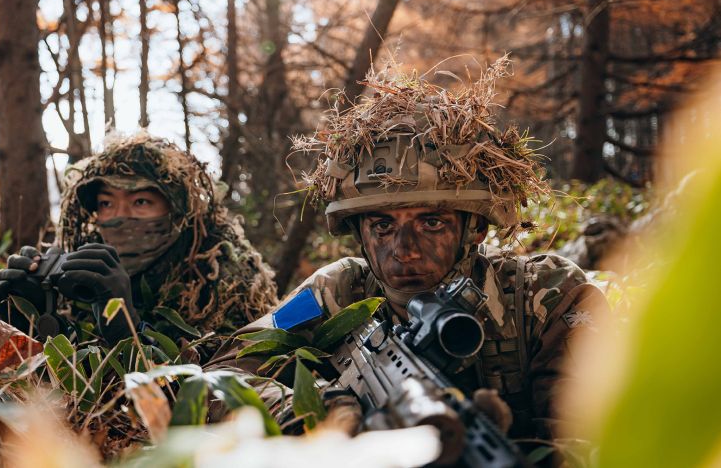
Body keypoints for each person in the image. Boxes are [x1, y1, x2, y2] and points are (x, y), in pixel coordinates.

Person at [209, 57, 608, 440]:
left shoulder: (545, 296)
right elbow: (222, 376)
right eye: (382, 226)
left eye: (431, 223)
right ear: (359, 233)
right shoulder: (334, 293)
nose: (404, 250)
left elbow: (599, 439)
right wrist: (312, 411)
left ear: (475, 229)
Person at [0, 132, 278, 351]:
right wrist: (29, 326)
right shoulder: (85, 270)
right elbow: (75, 384)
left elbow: (224, 382)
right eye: (106, 203)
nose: (120, 217)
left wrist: (128, 331)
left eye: (140, 201)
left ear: (177, 211)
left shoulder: (223, 277)